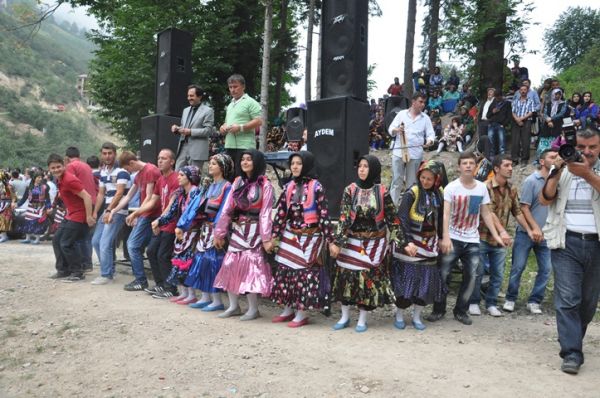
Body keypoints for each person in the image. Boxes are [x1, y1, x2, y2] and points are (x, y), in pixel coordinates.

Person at [539, 127, 600, 375]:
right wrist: (556, 172)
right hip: (566, 241)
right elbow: (545, 199)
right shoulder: (563, 168)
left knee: (587, 302)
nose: (586, 152)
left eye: (592, 147)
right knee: (567, 299)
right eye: (581, 147)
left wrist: (586, 174)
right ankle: (572, 353)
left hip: (596, 243)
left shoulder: (591, 169)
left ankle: (572, 337)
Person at [427, 152, 504, 325]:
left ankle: (461, 310)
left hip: (472, 239)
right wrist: (445, 237)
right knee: (443, 273)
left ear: (476, 167)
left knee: (471, 276)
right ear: (459, 167)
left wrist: (496, 234)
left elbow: (485, 212)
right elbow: (445, 214)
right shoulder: (451, 188)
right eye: (465, 163)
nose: (468, 166)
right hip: (453, 237)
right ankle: (438, 309)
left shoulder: (481, 188)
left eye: (471, 163)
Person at [329, 155, 400, 333]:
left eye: (366, 166)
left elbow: (393, 220)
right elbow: (344, 218)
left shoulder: (382, 192)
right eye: (359, 166)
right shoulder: (350, 190)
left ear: (373, 169)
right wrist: (337, 242)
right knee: (345, 278)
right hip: (351, 241)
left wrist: (400, 241)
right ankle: (344, 317)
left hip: (373, 243)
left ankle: (362, 319)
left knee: (366, 281)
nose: (361, 169)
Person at [270, 151, 333, 328]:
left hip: (310, 237)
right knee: (286, 272)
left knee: (303, 275)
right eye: (293, 164)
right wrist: (274, 236)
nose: (295, 167)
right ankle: (288, 309)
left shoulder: (316, 186)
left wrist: (330, 239)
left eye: (299, 163)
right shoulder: (288, 186)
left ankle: (301, 313)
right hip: (290, 235)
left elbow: (324, 215)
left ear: (306, 165)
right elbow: (281, 213)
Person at [213, 149, 274, 321]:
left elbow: (265, 213)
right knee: (230, 264)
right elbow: (227, 208)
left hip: (255, 232)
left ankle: (253, 309)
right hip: (239, 229)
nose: (245, 162)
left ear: (257, 162)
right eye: (243, 159)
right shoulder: (238, 182)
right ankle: (233, 306)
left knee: (251, 268)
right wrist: (219, 233)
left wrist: (267, 238)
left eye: (249, 159)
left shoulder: (265, 185)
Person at [468, 155, 532, 317]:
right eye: (507, 165)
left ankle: (491, 303)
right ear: (496, 168)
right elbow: (489, 212)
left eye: (511, 165)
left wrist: (529, 230)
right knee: (478, 272)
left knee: (497, 274)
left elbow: (517, 212)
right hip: (482, 236)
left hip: (500, 242)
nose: (511, 168)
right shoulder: (484, 187)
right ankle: (474, 302)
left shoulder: (512, 189)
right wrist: (502, 232)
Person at [391, 160, 446, 331]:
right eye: (423, 177)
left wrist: (443, 238)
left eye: (430, 178)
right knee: (406, 282)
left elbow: (443, 218)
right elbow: (402, 219)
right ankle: (400, 314)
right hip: (411, 244)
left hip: (430, 245)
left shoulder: (440, 194)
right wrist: (407, 241)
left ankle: (417, 316)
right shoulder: (411, 193)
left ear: (437, 179)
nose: (425, 181)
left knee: (425, 284)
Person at [177, 153, 235, 309]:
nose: (210, 166)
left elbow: (224, 210)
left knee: (213, 263)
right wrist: (183, 225)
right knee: (201, 262)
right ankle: (205, 296)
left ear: (223, 167)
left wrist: (219, 232)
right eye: (210, 163)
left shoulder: (227, 187)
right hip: (205, 229)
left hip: (217, 229)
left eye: (214, 164)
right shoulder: (208, 186)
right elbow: (194, 206)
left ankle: (217, 301)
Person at [503, 149, 558, 314]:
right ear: (542, 161)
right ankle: (510, 298)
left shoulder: (557, 181)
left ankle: (534, 300)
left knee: (546, 269)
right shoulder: (531, 181)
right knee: (518, 267)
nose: (556, 159)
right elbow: (524, 207)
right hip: (525, 233)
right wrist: (534, 228)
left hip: (547, 233)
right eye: (552, 157)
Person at [109, 151, 161, 291]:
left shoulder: (150, 170)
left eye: (127, 169)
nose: (128, 172)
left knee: (132, 245)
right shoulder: (139, 175)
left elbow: (149, 198)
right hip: (145, 213)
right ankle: (150, 281)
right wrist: (113, 210)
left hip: (150, 214)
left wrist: (137, 214)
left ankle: (141, 280)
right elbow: (128, 196)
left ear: (131, 163)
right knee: (144, 248)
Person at [153, 166, 203, 305]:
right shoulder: (181, 194)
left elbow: (194, 214)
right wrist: (159, 221)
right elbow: (171, 212)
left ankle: (191, 294)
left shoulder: (196, 193)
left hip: (192, 233)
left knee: (187, 263)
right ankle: (183, 293)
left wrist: (183, 226)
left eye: (182, 175)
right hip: (181, 234)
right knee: (178, 262)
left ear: (190, 177)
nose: (178, 177)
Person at [47, 153, 95, 282]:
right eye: (53, 168)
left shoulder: (69, 179)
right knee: (56, 240)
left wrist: (89, 216)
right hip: (70, 214)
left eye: (58, 166)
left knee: (66, 243)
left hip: (79, 215)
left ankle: (77, 272)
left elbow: (87, 197)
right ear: (49, 169)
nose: (56, 169)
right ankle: (63, 270)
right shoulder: (60, 179)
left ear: (64, 165)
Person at [140, 149, 180, 297]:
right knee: (151, 251)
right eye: (159, 158)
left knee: (163, 255)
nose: (160, 161)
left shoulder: (176, 179)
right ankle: (160, 284)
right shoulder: (160, 180)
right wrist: (137, 213)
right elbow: (154, 200)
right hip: (161, 223)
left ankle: (171, 287)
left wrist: (159, 221)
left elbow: (171, 206)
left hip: (170, 223)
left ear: (172, 162)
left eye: (164, 158)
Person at [90, 142, 131, 285]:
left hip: (118, 211)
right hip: (107, 211)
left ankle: (106, 275)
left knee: (105, 242)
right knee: (96, 241)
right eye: (104, 153)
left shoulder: (122, 171)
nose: (107, 156)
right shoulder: (103, 172)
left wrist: (109, 211)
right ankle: (109, 269)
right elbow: (101, 194)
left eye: (110, 153)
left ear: (115, 153)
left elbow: (120, 193)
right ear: (101, 154)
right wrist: (95, 212)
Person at [388, 92, 435, 205]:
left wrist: (430, 141)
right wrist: (396, 130)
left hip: (415, 154)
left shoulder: (426, 118)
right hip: (399, 152)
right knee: (396, 181)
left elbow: (431, 135)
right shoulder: (401, 114)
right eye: (420, 101)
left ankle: (407, 208)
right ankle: (391, 208)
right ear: (413, 102)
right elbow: (391, 129)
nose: (423, 104)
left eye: (424, 102)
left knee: (411, 183)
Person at [219, 74, 263, 177]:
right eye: (230, 87)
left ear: (243, 87)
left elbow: (259, 121)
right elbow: (227, 122)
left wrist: (240, 128)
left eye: (235, 86)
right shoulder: (230, 105)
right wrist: (223, 127)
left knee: (242, 176)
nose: (232, 90)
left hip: (245, 146)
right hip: (229, 145)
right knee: (230, 175)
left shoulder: (251, 102)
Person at [65, 147, 97, 272]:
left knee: (77, 237)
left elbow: (71, 184)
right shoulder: (87, 166)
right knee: (85, 237)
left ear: (67, 157)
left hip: (82, 204)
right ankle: (88, 264)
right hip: (92, 202)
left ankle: (81, 264)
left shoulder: (71, 166)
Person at [171, 84, 215, 170]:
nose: (188, 98)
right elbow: (184, 128)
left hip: (197, 151)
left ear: (200, 96)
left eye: (191, 96)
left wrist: (190, 132)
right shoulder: (185, 110)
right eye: (188, 96)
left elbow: (208, 131)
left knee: (194, 177)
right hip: (183, 147)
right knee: (178, 175)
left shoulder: (208, 111)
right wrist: (177, 129)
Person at [15, 170, 51, 244]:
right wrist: (17, 204)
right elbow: (24, 197)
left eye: (41, 177)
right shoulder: (29, 187)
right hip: (31, 207)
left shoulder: (44, 187)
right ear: (34, 178)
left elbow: (47, 198)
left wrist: (48, 207)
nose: (40, 179)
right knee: (28, 221)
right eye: (38, 177)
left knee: (37, 223)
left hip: (40, 207)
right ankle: (27, 238)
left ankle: (37, 239)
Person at [538, 88, 567, 159]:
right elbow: (544, 113)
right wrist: (548, 120)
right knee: (544, 140)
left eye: (559, 94)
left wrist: (551, 118)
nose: (557, 96)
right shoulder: (548, 104)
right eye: (556, 94)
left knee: (556, 141)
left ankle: (555, 158)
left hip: (557, 124)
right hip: (547, 124)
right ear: (553, 94)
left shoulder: (563, 103)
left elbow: (561, 113)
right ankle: (542, 158)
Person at [511, 84, 536, 165]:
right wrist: (517, 119)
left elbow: (531, 112)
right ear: (519, 91)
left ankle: (524, 159)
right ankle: (515, 159)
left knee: (525, 141)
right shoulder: (515, 101)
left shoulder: (530, 101)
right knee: (515, 141)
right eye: (521, 90)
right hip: (516, 121)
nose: (523, 91)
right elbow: (513, 112)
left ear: (527, 91)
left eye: (524, 90)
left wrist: (521, 119)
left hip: (526, 121)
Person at [486, 89, 511, 157]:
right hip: (491, 124)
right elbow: (488, 115)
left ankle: (502, 158)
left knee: (502, 142)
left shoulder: (507, 103)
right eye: (495, 97)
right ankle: (491, 158)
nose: (496, 98)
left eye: (498, 97)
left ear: (501, 96)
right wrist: (493, 112)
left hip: (501, 125)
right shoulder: (493, 103)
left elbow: (509, 116)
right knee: (490, 142)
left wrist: (504, 124)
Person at [0, 171, 16, 243]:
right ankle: (3, 235)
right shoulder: (1, 186)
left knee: (4, 220)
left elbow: (13, 196)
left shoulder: (9, 186)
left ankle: (4, 236)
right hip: (1, 203)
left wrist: (12, 202)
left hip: (6, 204)